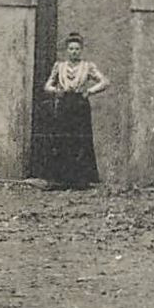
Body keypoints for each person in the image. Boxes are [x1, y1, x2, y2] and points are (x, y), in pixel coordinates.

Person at [43, 32, 108, 190]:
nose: (74, 52)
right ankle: (60, 180)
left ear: (81, 50)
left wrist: (90, 91)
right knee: (62, 139)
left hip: (80, 105)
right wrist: (56, 91)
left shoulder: (88, 66)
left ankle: (81, 180)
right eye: (71, 49)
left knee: (80, 140)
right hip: (64, 103)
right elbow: (47, 86)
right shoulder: (60, 66)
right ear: (67, 50)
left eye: (77, 49)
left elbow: (104, 82)